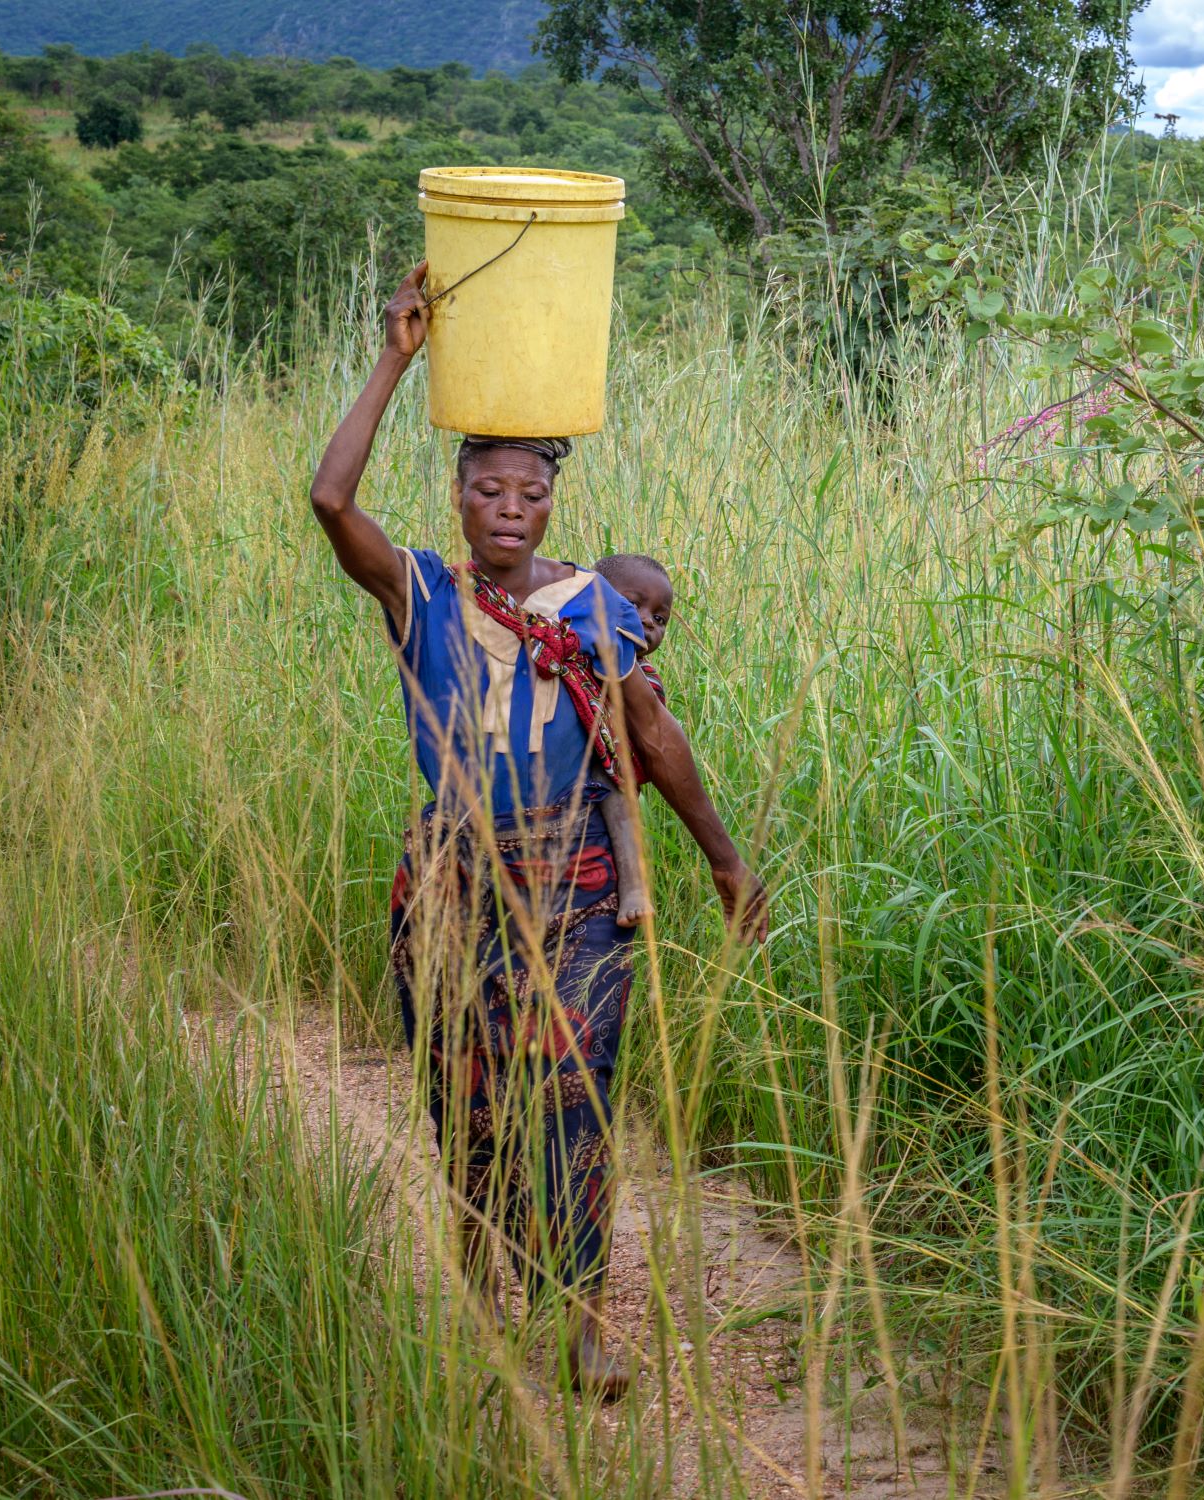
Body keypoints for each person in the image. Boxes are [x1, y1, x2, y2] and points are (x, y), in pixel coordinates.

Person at [307, 263, 767, 1399]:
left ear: (550, 502)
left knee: (572, 1099)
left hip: (576, 879)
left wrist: (723, 860)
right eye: (488, 494)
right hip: (454, 878)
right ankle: (481, 1282)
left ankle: (578, 1319)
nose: (510, 511)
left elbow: (650, 737)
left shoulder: (590, 609)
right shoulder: (417, 590)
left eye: (529, 494)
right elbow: (328, 502)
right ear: (458, 500)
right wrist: (396, 356)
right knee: (465, 1097)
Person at [589, 553, 674, 929]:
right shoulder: (568, 644)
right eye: (632, 604)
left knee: (617, 802)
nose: (646, 621)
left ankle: (635, 887)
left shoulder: (645, 676)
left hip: (610, 775)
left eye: (659, 619)